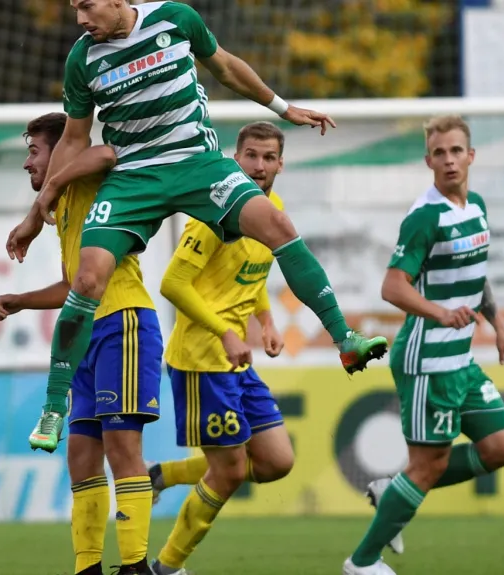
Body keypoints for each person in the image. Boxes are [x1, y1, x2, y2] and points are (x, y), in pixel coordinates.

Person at [6, 0, 388, 454]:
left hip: (197, 165)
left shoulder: (175, 18)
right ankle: (53, 408)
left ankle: (345, 339)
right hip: (133, 179)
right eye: (74, 8)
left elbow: (224, 66)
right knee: (87, 279)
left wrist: (284, 108)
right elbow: (73, 138)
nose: (80, 19)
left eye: (86, 6)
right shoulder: (82, 58)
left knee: (279, 225)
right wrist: (35, 213)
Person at [343, 116, 504, 575]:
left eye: (456, 150)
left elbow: (474, 279)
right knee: (428, 466)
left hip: (460, 360)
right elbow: (392, 286)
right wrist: (440, 312)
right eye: (439, 153)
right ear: (428, 161)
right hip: (427, 362)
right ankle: (361, 563)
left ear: (471, 156)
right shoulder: (425, 217)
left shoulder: (475, 207)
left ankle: (392, 490)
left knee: (500, 447)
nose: (448, 160)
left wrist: (498, 323)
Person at [0, 112, 162, 575]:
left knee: (122, 447)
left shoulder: (85, 183)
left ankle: (134, 567)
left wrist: (53, 182)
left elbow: (107, 152)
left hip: (122, 324)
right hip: (85, 334)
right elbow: (74, 283)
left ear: (60, 152)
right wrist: (23, 300)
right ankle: (87, 568)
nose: (28, 164)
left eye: (34, 152)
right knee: (81, 456)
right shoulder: (66, 205)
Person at [142, 122, 294, 575]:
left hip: (235, 362)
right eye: (251, 155)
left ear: (280, 164)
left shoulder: (272, 209)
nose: (260, 165)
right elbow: (172, 283)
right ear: (236, 157)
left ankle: (163, 475)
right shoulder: (213, 213)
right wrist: (226, 332)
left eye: (268, 158)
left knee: (275, 461)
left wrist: (264, 319)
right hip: (200, 361)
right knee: (228, 472)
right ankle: (165, 568)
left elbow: (251, 270)